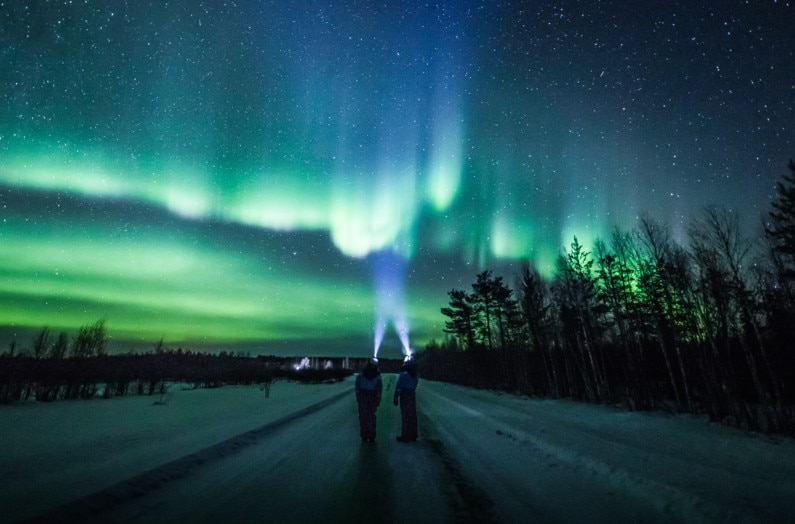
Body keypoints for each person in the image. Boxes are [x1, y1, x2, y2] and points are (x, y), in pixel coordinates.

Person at [355, 360, 382, 442]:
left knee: (363, 416)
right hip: (373, 395)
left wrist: (358, 397)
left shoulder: (360, 376)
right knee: (371, 416)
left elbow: (357, 386)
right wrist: (378, 399)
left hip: (363, 395)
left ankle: (364, 434)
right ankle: (372, 435)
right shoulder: (377, 376)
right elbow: (379, 389)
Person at [393, 359, 419, 442]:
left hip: (405, 394)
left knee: (405, 415)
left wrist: (396, 397)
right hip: (412, 394)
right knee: (412, 414)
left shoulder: (404, 375)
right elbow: (415, 385)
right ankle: (413, 434)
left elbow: (399, 387)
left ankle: (405, 435)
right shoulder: (416, 375)